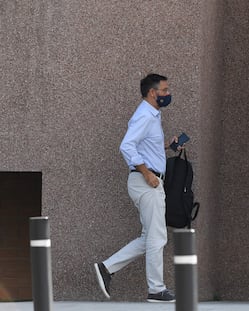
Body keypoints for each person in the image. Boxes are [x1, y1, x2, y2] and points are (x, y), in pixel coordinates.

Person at [94, 73, 176, 303]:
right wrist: (147, 173)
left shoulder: (152, 115)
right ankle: (156, 289)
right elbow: (127, 146)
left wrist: (168, 145)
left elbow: (145, 146)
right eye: (165, 90)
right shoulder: (145, 115)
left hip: (148, 182)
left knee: (149, 236)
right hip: (146, 182)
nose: (168, 94)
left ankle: (106, 268)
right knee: (157, 238)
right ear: (153, 93)